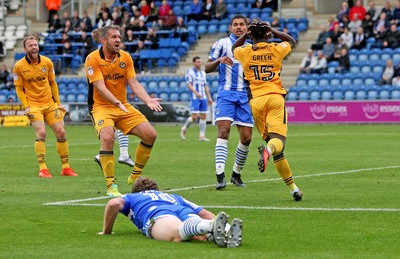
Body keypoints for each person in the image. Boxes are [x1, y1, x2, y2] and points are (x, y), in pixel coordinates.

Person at [85, 25, 162, 197]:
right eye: (114, 37)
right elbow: (100, 86)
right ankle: (111, 185)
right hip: (101, 107)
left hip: (122, 105)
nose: (118, 40)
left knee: (150, 135)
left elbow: (133, 83)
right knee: (107, 136)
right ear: (104, 40)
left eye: (119, 36)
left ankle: (135, 176)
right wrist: (115, 101)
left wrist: (148, 99)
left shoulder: (125, 57)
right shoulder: (92, 59)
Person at [232, 20, 303, 201]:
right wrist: (276, 32)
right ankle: (268, 151)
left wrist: (245, 35)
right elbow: (292, 41)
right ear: (267, 34)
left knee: (277, 148)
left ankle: (293, 188)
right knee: (278, 142)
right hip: (274, 97)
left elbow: (234, 47)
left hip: (256, 101)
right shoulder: (276, 49)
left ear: (251, 36)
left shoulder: (245, 51)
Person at [98, 177, 243, 248]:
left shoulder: (133, 197)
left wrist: (106, 231)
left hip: (158, 213)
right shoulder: (174, 196)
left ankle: (211, 228)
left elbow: (113, 203)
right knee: (200, 233)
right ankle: (227, 230)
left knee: (177, 234)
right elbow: (203, 212)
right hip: (182, 209)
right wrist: (224, 223)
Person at [13, 36, 78, 178]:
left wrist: (58, 103)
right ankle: (43, 169)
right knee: (41, 133)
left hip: (50, 104)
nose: (34, 47)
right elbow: (19, 89)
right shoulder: (19, 66)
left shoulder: (47, 62)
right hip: (34, 106)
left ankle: (66, 167)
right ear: (25, 49)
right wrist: (26, 106)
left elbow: (53, 83)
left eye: (35, 44)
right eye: (30, 45)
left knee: (61, 132)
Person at [205, 14, 253, 190]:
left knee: (247, 138)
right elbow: (206, 68)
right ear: (230, 28)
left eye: (242, 24)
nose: (239, 27)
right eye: (236, 25)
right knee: (224, 131)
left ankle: (236, 174)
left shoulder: (251, 48)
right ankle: (220, 176)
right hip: (226, 94)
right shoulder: (222, 44)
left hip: (244, 96)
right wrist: (218, 61)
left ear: (247, 28)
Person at [180, 57, 213, 141]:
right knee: (194, 117)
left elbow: (205, 86)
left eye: (201, 62)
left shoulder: (203, 73)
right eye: (198, 62)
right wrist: (196, 93)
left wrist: (209, 97)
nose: (200, 63)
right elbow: (189, 84)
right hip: (195, 98)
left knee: (203, 116)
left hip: (203, 98)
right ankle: (184, 128)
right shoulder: (190, 72)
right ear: (194, 63)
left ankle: (202, 136)